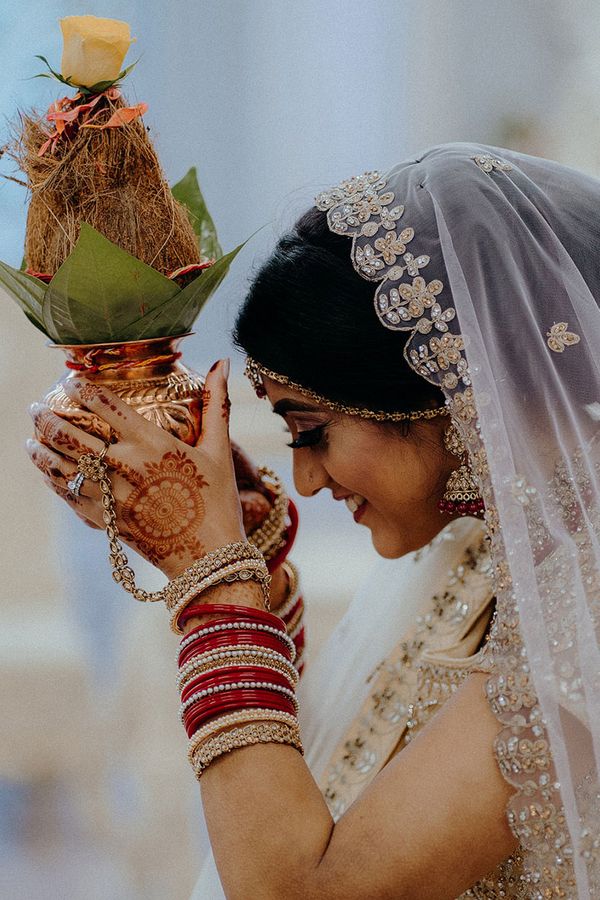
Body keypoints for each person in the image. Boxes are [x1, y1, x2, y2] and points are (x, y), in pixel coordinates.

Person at [27, 143, 599, 898]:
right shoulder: (502, 540)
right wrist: (243, 554)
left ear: (439, 395)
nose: (303, 477)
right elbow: (333, 778)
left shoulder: (584, 597)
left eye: (312, 430)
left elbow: (296, 887)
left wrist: (213, 577)